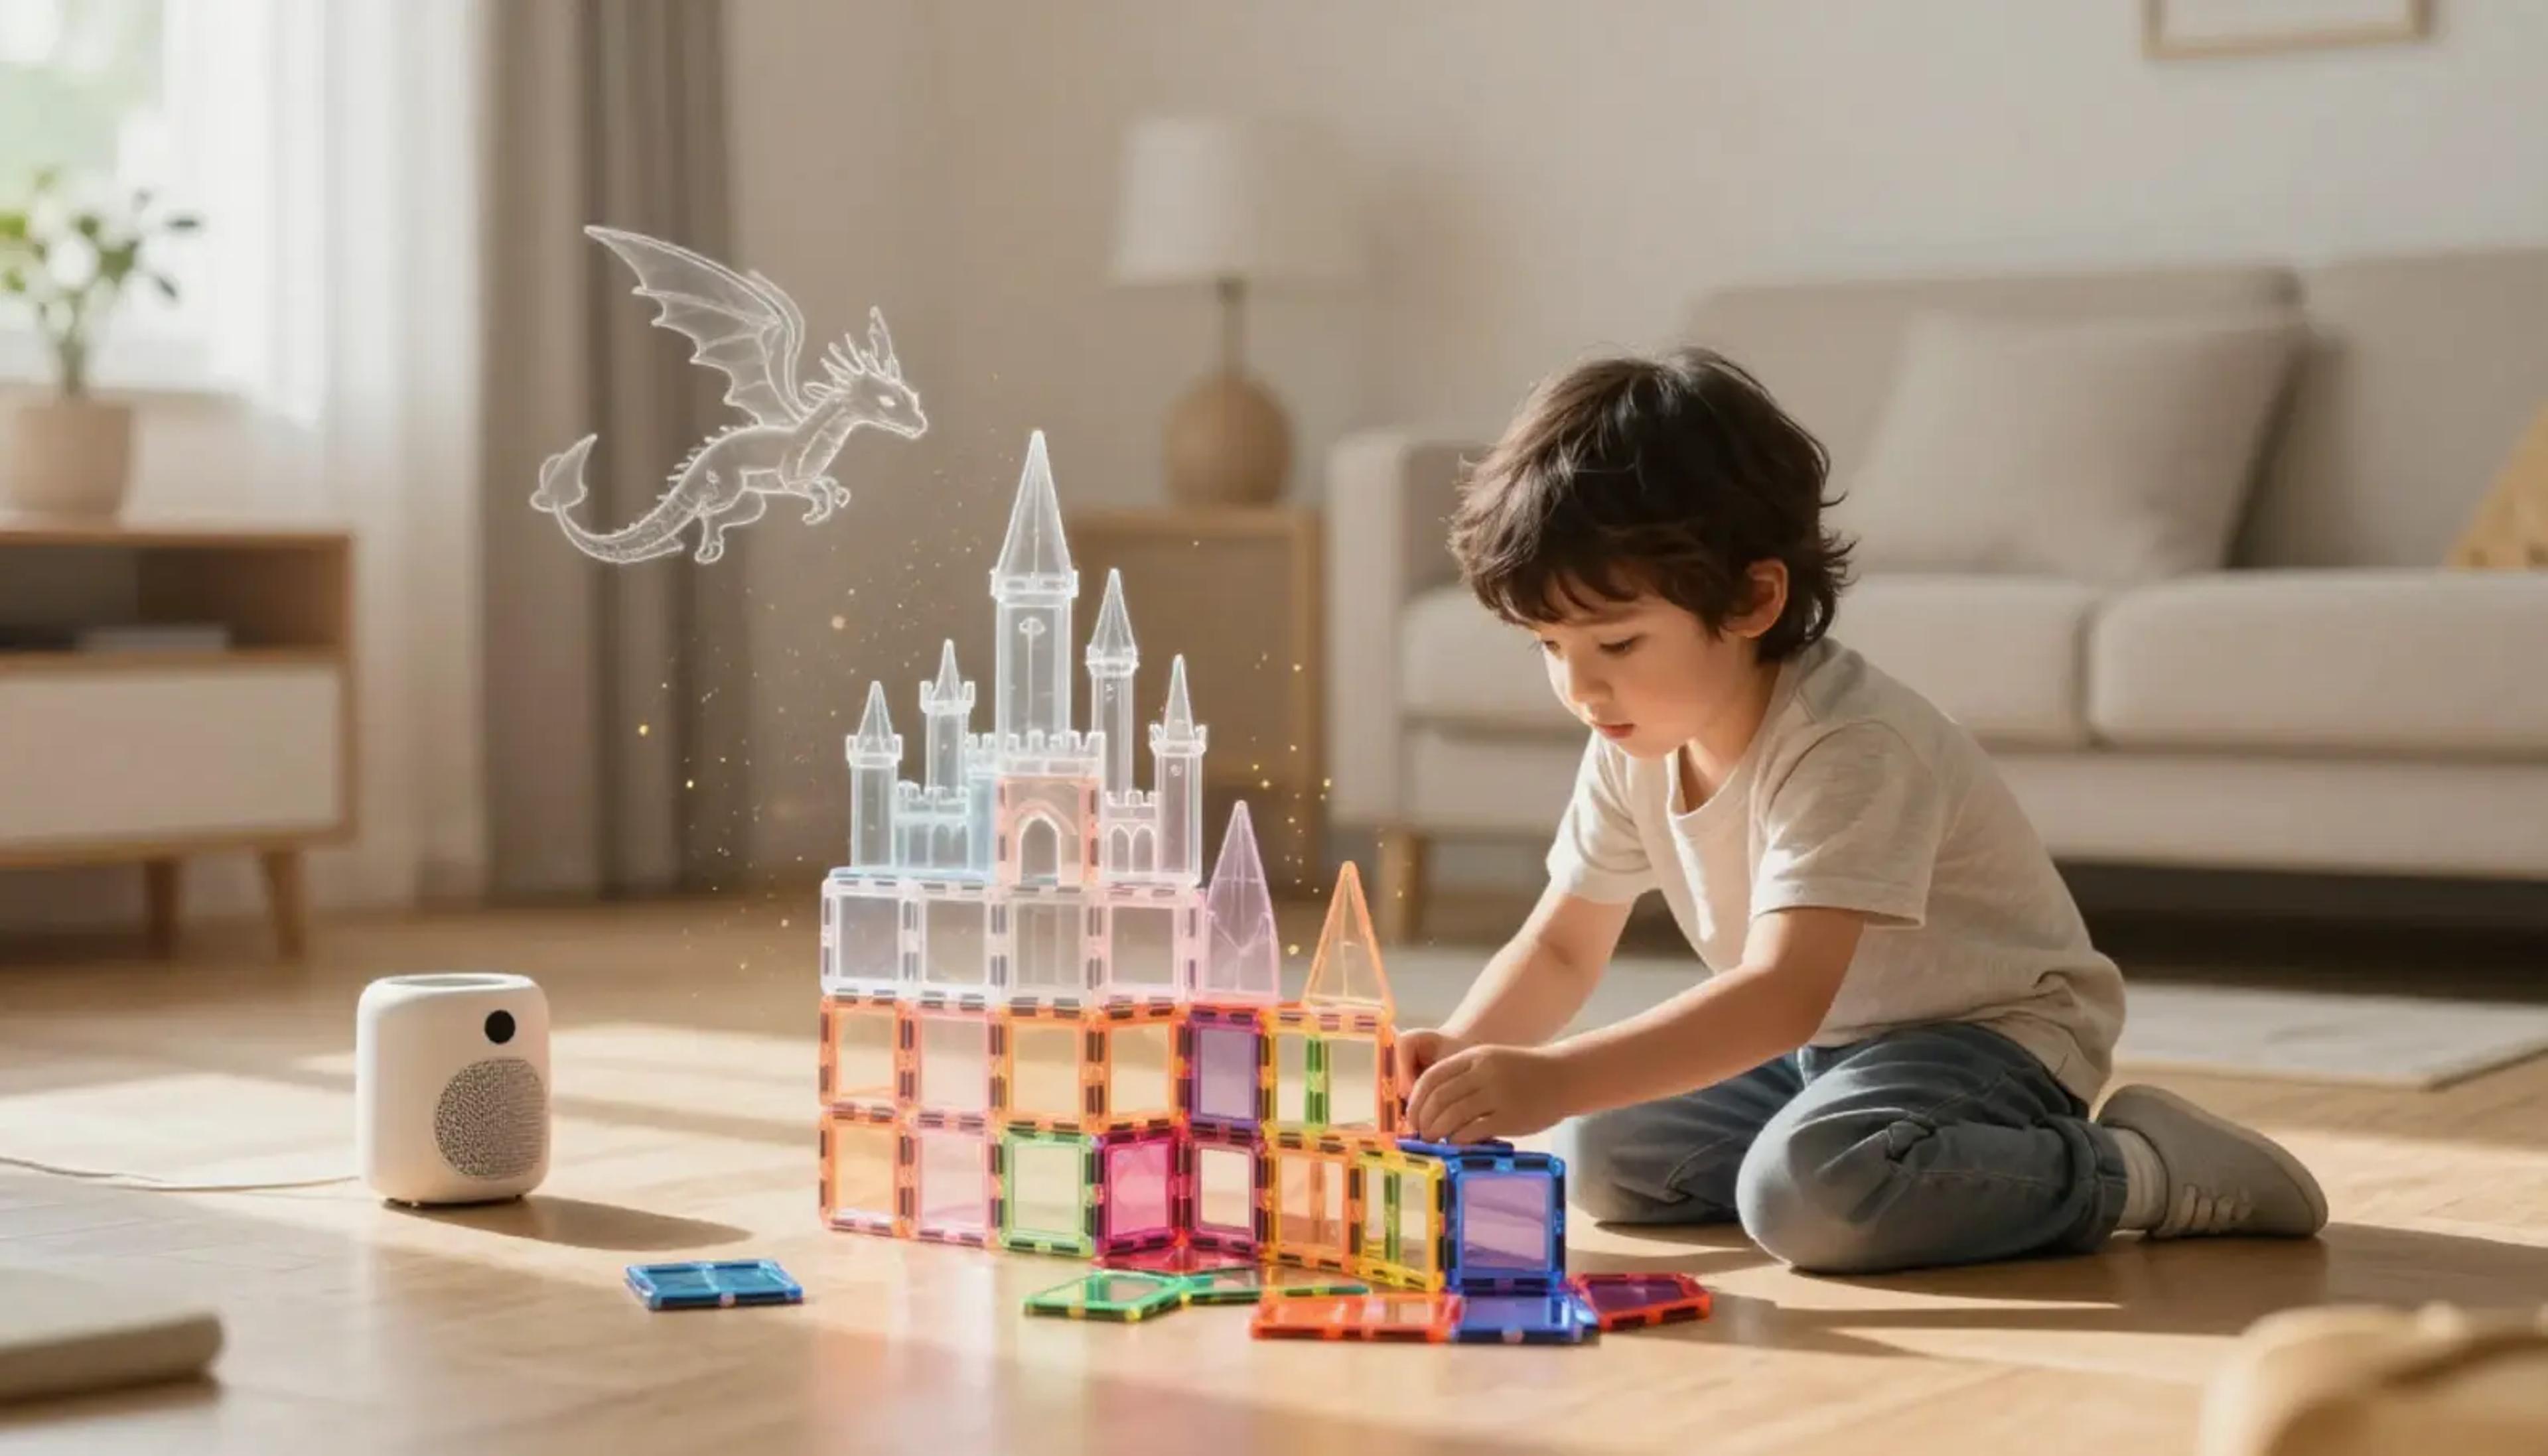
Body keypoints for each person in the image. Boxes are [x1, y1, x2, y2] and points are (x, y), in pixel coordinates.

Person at [1397, 348, 2326, 1274]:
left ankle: (2142, 1169)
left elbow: (1781, 995)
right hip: (1828, 1048)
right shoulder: (1633, 739)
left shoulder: (1849, 744)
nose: (1581, 686)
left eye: (1618, 641)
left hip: (1990, 1039)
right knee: (1602, 1153)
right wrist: (1463, 1054)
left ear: (1755, 598)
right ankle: (1892, 1165)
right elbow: (1562, 948)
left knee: (1806, 1196)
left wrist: (1555, 1075)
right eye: (1548, 647)